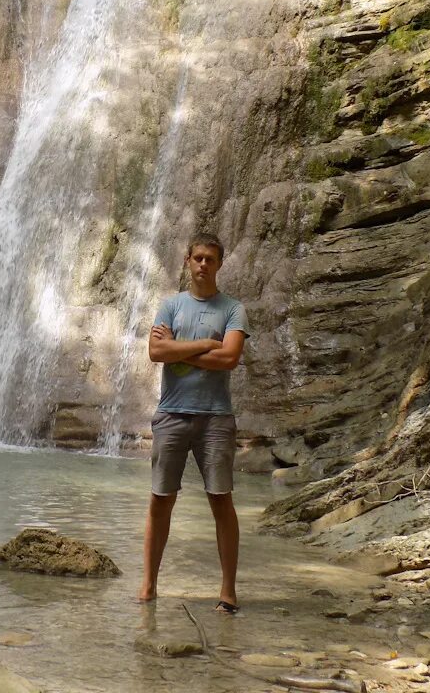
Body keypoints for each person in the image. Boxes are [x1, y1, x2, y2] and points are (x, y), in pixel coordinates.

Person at [138, 233, 249, 609]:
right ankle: (149, 586)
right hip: (171, 414)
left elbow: (231, 358)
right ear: (187, 261)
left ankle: (228, 592)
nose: (203, 264)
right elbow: (156, 351)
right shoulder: (170, 306)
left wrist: (179, 351)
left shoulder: (233, 309)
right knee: (160, 500)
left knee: (221, 500)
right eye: (198, 258)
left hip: (216, 418)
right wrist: (206, 345)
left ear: (219, 264)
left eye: (210, 259)